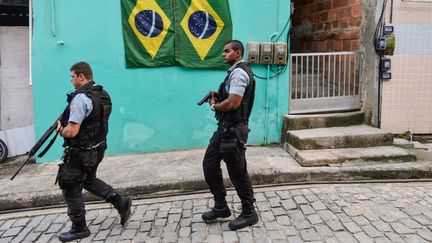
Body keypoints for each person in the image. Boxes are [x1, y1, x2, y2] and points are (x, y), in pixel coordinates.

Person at [55, 62, 131, 242]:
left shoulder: (80, 99)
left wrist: (60, 130)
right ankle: (120, 202)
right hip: (97, 150)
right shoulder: (102, 94)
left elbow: (72, 131)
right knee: (88, 180)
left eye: (73, 76)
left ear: (82, 76)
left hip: (80, 153)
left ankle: (79, 228)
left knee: (70, 187)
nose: (71, 80)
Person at [201, 40, 259, 230]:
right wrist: (220, 96)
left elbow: (234, 103)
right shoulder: (233, 73)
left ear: (238, 53)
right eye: (224, 51)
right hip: (224, 129)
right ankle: (221, 207)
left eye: (227, 51)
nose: (223, 54)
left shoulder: (239, 73)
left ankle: (249, 212)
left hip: (234, 131)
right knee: (209, 164)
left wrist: (215, 105)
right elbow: (231, 98)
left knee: (237, 172)